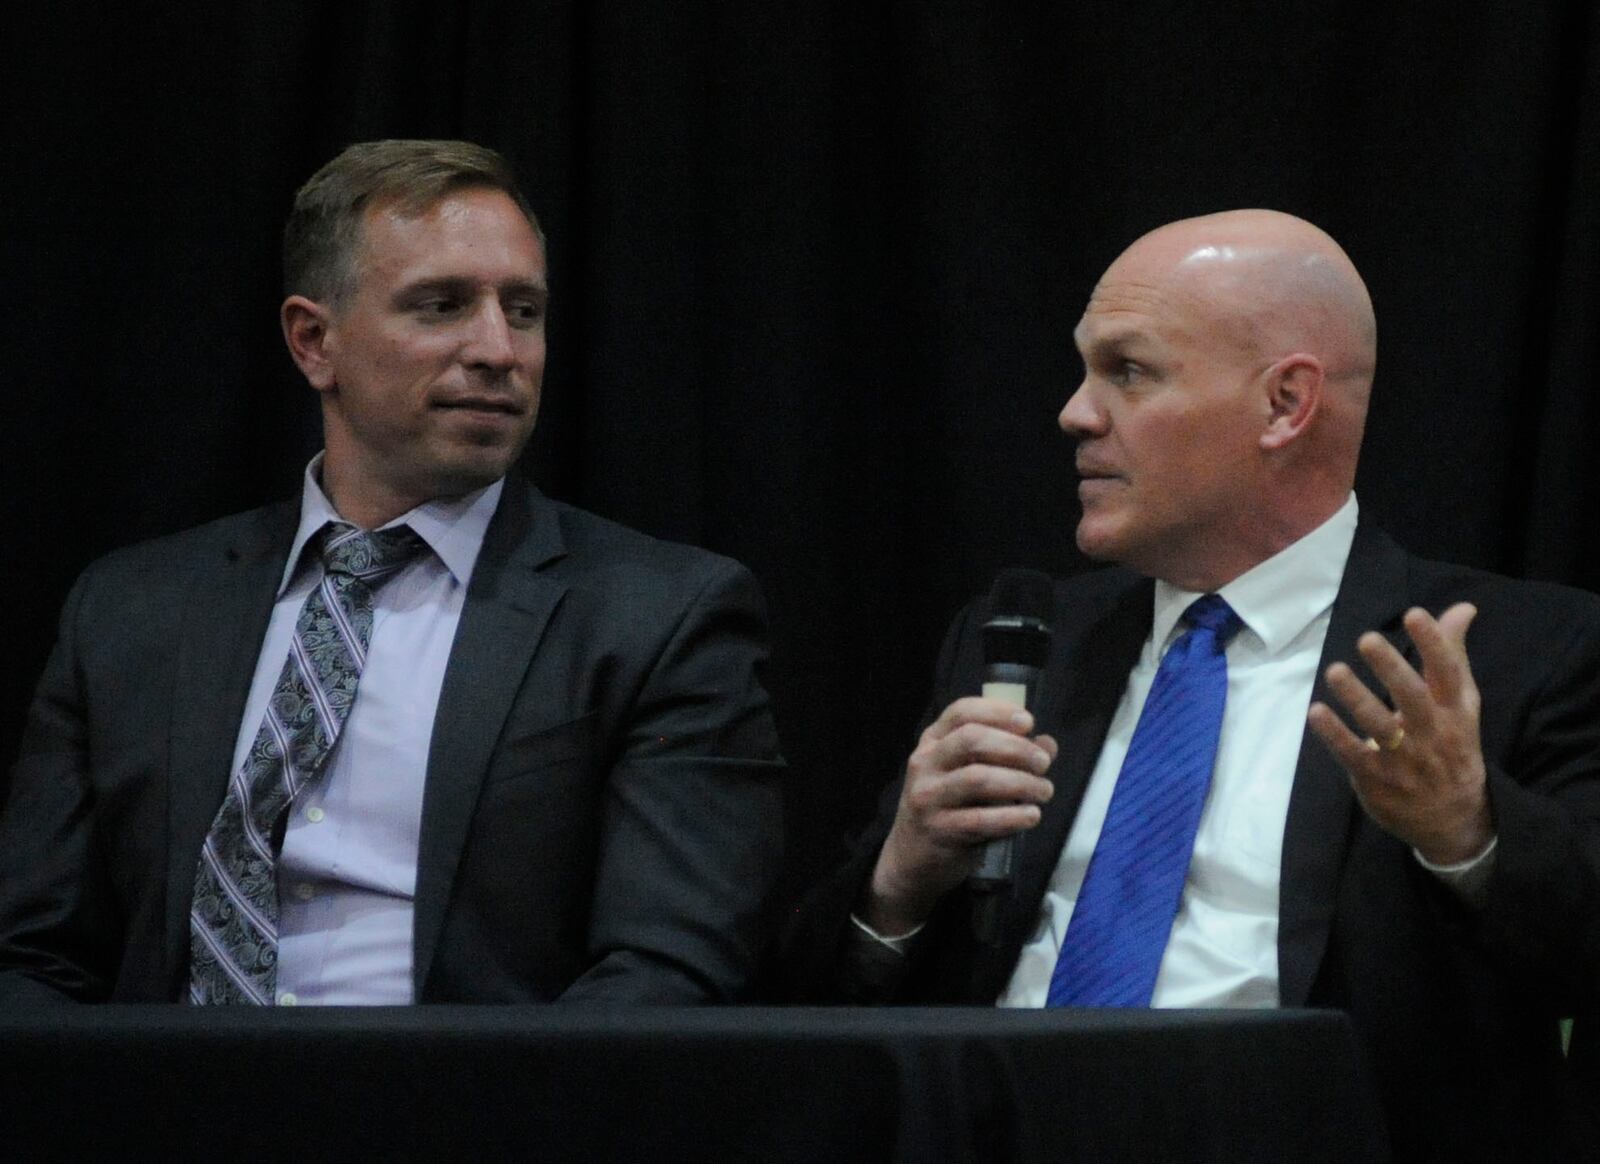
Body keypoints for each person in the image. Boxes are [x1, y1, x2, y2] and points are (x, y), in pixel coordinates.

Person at [783, 210, 1600, 1159]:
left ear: (1285, 405)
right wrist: (900, 879)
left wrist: (1470, 836)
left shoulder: (1519, 653)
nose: (1075, 413)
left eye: (1128, 372)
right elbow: (804, 997)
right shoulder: (1028, 644)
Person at [0, 139, 784, 1006]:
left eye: (523, 311)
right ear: (313, 341)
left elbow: (670, 970)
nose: (499, 349)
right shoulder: (130, 609)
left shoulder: (659, 617)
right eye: (442, 306)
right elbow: (33, 958)